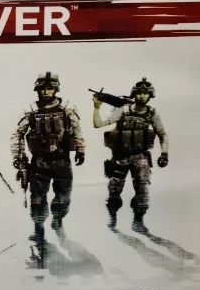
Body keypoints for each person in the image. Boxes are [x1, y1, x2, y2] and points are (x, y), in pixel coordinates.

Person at [11, 72, 85, 242]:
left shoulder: (67, 108)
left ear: (56, 89)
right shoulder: (31, 110)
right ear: (37, 90)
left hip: (62, 159)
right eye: (43, 89)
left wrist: (80, 149)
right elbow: (17, 134)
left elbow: (77, 129)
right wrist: (18, 155)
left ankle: (58, 219)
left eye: (50, 88)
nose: (46, 92)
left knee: (63, 195)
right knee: (37, 197)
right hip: (39, 161)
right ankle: (38, 228)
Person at [93, 77, 168, 232]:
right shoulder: (123, 110)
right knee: (114, 189)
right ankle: (112, 217)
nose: (142, 96)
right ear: (134, 94)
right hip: (120, 156)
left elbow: (163, 135)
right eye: (139, 93)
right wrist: (97, 108)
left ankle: (138, 221)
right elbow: (98, 124)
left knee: (142, 190)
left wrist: (164, 154)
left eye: (146, 93)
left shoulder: (152, 113)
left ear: (150, 95)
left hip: (140, 157)